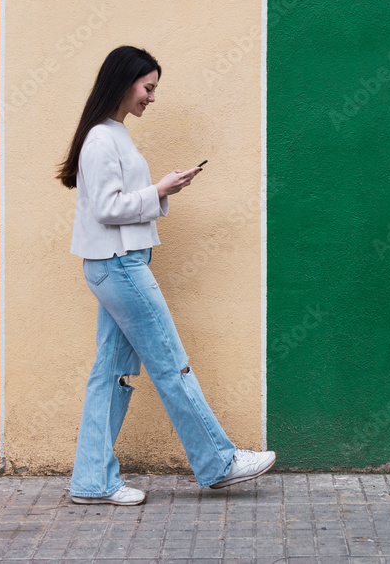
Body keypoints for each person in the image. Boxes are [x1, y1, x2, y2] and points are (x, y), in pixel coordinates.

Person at [56, 45, 275, 505]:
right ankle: (218, 461)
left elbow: (117, 201)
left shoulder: (112, 133)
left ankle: (91, 481)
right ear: (124, 81)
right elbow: (107, 207)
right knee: (171, 364)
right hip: (120, 266)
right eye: (148, 87)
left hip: (118, 265)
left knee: (111, 374)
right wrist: (159, 189)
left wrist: (162, 190)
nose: (152, 98)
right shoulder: (101, 139)